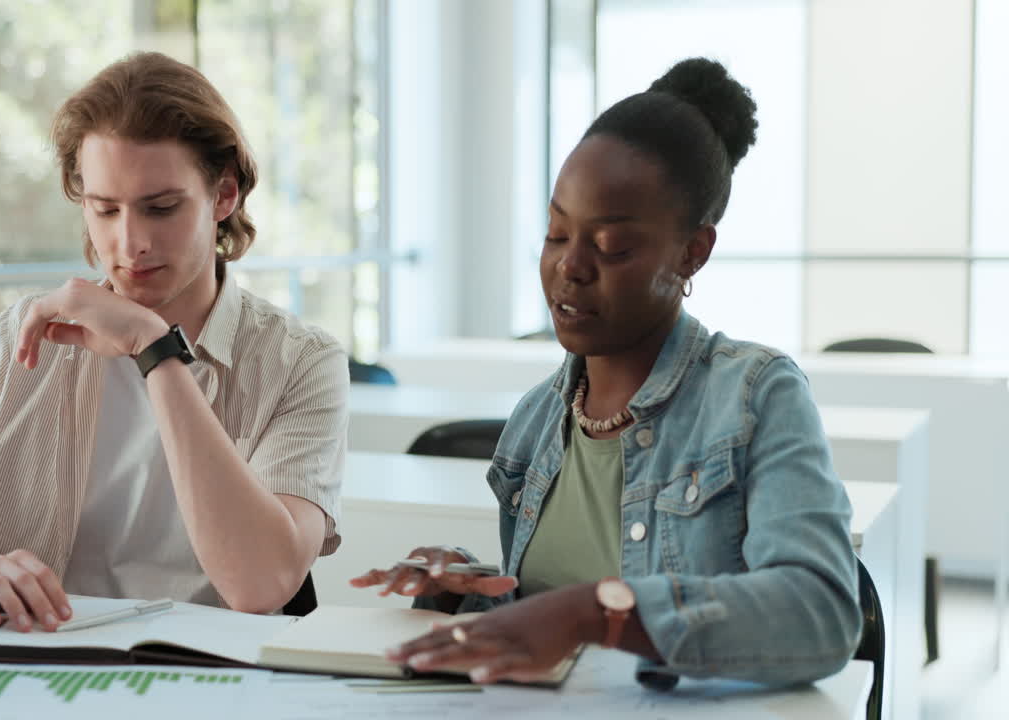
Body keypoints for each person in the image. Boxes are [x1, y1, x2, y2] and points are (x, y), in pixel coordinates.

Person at [351, 58, 861, 688]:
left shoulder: (755, 396)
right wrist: (462, 591)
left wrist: (599, 610)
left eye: (612, 247)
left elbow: (821, 615)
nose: (571, 267)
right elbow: (557, 629)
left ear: (693, 252)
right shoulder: (538, 418)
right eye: (556, 232)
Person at [0, 52, 348, 630]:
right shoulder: (28, 335)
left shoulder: (303, 362)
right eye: (105, 209)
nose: (130, 243)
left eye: (161, 209)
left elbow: (261, 584)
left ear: (224, 195)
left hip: (212, 679)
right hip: (27, 670)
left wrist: (156, 350)